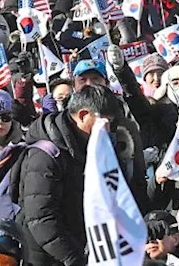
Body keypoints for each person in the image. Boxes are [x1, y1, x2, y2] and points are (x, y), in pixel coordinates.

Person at [17, 84, 123, 266]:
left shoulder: (90, 147)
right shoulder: (46, 155)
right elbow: (40, 218)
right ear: (83, 115)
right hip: (46, 257)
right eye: (106, 123)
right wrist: (74, 258)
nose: (109, 131)